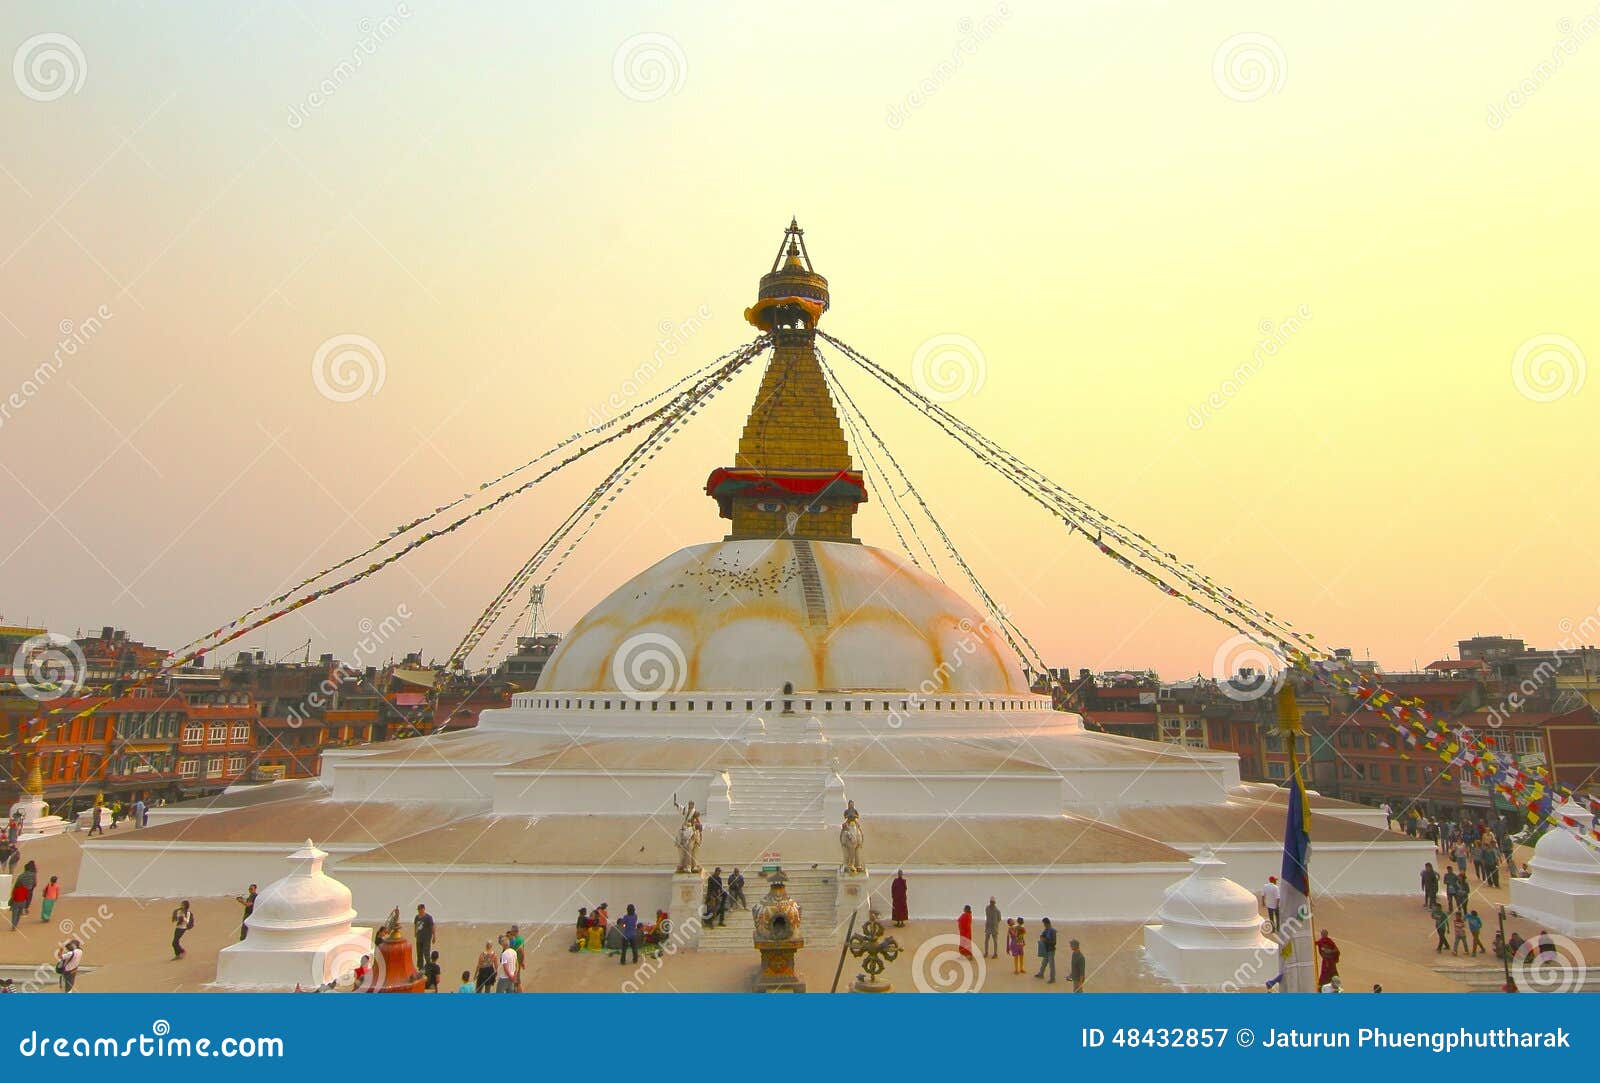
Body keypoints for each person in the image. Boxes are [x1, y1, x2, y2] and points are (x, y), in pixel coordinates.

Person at [1034, 917, 1057, 983]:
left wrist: (1045, 940)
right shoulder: (1046, 930)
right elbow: (1042, 935)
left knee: (1051, 965)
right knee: (1044, 963)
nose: (1044, 925)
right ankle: (1041, 974)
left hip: (1051, 950)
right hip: (1046, 949)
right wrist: (1042, 938)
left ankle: (1053, 979)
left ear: (1047, 923)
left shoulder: (1053, 931)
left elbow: (1054, 942)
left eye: (1044, 924)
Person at [413, 904, 435, 970]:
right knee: (419, 954)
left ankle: (429, 967)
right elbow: (415, 925)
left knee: (426, 953)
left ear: (423, 909)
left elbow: (432, 927)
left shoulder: (428, 917)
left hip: (426, 938)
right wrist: (415, 933)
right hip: (419, 938)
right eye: (418, 910)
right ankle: (420, 968)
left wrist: (434, 936)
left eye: (420, 909)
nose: (419, 911)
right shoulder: (417, 917)